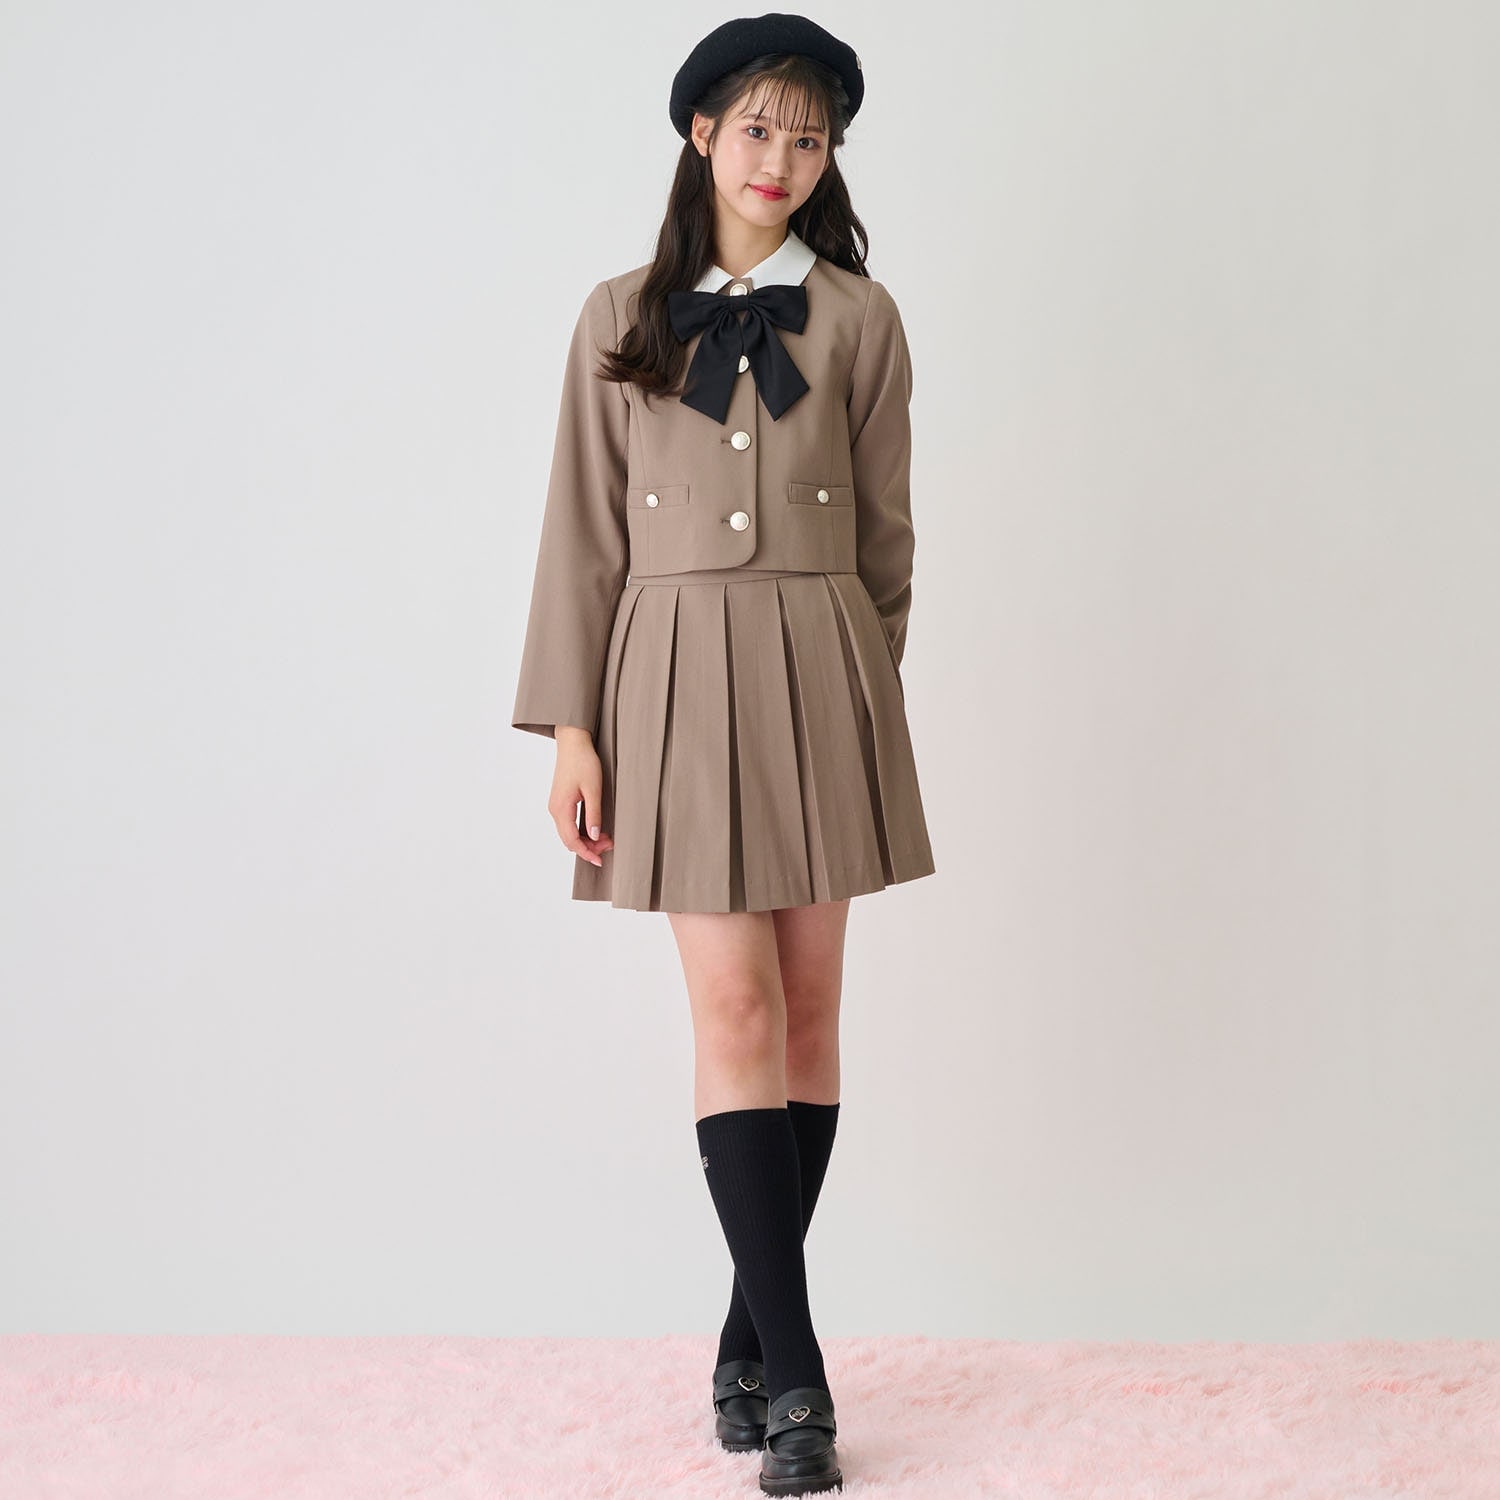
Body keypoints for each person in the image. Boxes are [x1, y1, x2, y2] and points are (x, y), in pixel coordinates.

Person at [512, 13, 936, 1495]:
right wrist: (574, 727)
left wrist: (865, 690)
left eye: (809, 138)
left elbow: (888, 540)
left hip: (825, 672)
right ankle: (800, 1373)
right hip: (675, 682)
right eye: (757, 128)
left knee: (810, 1015)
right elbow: (579, 531)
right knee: (737, 1009)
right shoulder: (620, 317)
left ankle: (744, 1341)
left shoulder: (862, 320)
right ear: (701, 134)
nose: (780, 159)